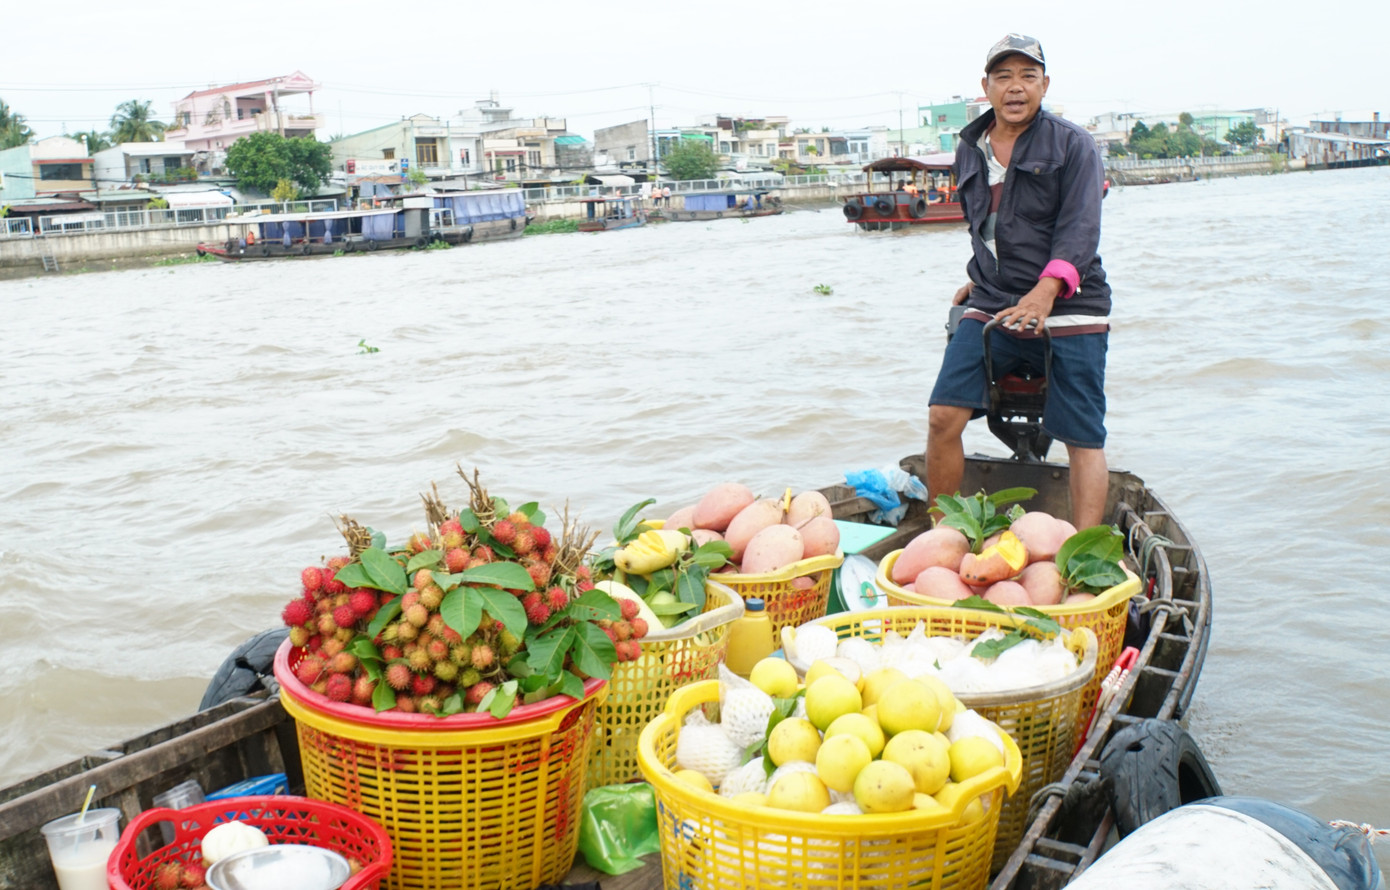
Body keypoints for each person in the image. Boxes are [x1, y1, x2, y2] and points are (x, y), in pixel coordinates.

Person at [925, 33, 1112, 530]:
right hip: (994, 299)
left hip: (1072, 302)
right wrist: (977, 277)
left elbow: (1081, 229)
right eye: (1003, 76)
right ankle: (938, 540)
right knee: (944, 416)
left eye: (1028, 76)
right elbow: (983, 227)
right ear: (985, 87)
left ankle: (1084, 550)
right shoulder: (969, 148)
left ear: (1044, 85)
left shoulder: (1074, 145)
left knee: (1083, 436)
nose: (1015, 87)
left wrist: (1045, 290)